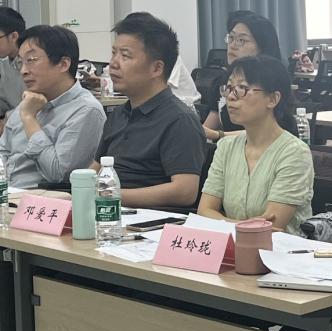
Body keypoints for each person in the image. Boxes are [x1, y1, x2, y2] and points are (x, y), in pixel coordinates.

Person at [92, 13, 205, 209]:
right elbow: (96, 170)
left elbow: (185, 191)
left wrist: (110, 195)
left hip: (148, 219)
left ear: (156, 68)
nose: (113, 63)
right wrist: (78, 191)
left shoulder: (179, 119)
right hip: (109, 210)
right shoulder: (118, 114)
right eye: (114, 53)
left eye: (125, 56)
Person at [198, 55, 313, 235]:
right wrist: (243, 225)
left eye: (242, 88)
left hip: (280, 249)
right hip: (231, 244)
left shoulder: (294, 153)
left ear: (272, 99)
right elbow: (204, 211)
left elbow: (271, 228)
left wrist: (222, 221)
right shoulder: (226, 147)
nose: (230, 96)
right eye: (229, 88)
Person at [0, 25, 105, 188]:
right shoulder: (30, 101)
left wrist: (29, 119)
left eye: (31, 60)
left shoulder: (86, 110)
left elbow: (57, 174)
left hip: (42, 198)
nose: (23, 71)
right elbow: (3, 151)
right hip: (9, 193)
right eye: (21, 62)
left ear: (63, 64)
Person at [202, 11, 282, 141]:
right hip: (229, 149)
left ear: (261, 47)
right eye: (231, 38)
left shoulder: (273, 82)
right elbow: (208, 128)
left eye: (241, 40)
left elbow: (270, 132)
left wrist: (218, 135)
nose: (232, 45)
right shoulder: (221, 81)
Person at [0, 7, 25, 125]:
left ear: (14, 36)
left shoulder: (34, 65)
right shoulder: (4, 64)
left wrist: (7, 119)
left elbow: (38, 106)